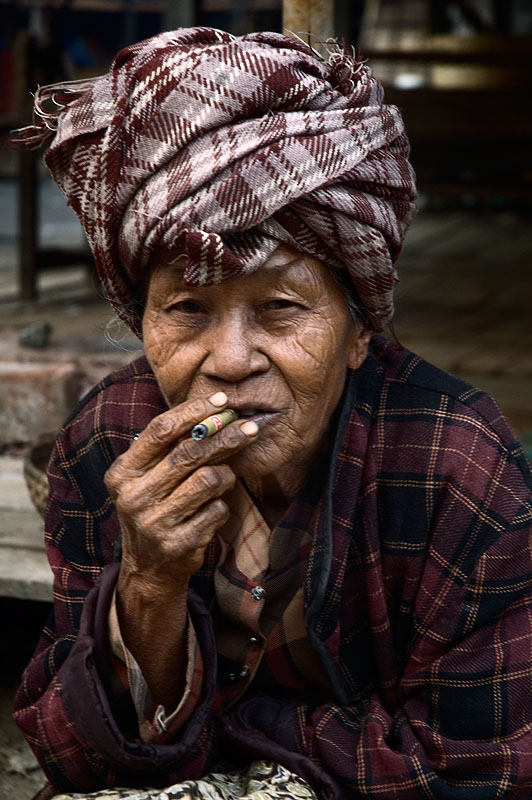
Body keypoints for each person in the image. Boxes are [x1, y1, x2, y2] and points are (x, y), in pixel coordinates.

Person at [10, 27, 532, 800]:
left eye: (281, 308)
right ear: (143, 318)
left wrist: (236, 725)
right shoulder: (108, 439)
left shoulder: (459, 467)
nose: (228, 359)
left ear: (359, 334)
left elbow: (481, 770)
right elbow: (70, 753)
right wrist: (148, 584)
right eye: (186, 308)